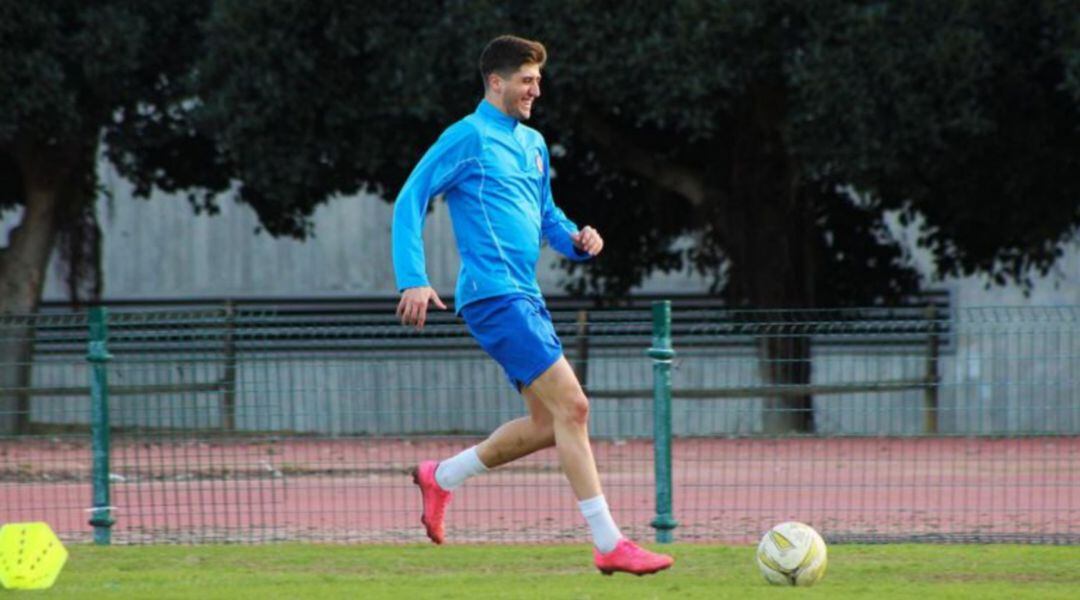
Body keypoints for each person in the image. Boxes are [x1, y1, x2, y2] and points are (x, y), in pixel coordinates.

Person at [392, 34, 674, 576]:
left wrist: (578, 240)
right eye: (526, 80)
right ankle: (608, 542)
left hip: (526, 295)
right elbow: (411, 196)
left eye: (538, 80)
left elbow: (547, 217)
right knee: (575, 407)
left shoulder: (534, 144)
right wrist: (413, 277)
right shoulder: (466, 137)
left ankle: (440, 477)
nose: (535, 90)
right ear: (496, 82)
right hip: (494, 297)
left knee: (549, 423)